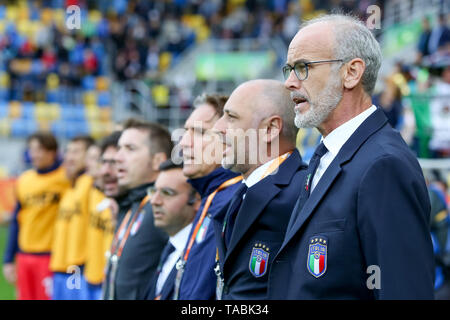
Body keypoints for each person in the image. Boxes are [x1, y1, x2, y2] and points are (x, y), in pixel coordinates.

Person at [269, 14, 434, 299]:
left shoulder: (384, 165)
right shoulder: (328, 154)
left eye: (303, 67)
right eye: (288, 69)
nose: (289, 83)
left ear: (352, 73)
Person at [212, 79, 306, 299]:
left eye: (231, 117)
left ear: (270, 129)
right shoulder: (241, 192)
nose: (217, 128)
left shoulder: (303, 194)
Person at [174, 93, 242, 300]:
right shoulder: (213, 195)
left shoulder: (237, 201)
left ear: (229, 139)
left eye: (199, 132)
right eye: (186, 132)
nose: (184, 143)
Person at [103, 119, 171, 300]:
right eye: (119, 148)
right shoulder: (131, 202)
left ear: (158, 160)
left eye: (130, 149)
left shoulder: (165, 206)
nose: (118, 158)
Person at [3, 132, 70, 300]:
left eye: (39, 149)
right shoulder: (24, 180)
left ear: (52, 152)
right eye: (31, 149)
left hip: (51, 256)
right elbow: (17, 221)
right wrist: (8, 259)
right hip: (25, 256)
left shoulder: (66, 179)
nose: (34, 154)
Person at [145, 160, 200, 300]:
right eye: (153, 191)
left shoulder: (200, 254)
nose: (154, 201)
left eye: (167, 193)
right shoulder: (171, 247)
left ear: (197, 200)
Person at [50, 135, 95, 300]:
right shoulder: (70, 188)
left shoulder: (91, 183)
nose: (69, 157)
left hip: (78, 270)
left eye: (76, 152)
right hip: (60, 267)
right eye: (68, 152)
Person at [83, 141, 115, 300]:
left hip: (108, 281)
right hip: (89, 275)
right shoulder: (89, 190)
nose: (89, 163)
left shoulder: (119, 198)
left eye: (96, 159)